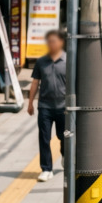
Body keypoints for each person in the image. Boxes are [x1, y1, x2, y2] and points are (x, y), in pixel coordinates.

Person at [28, 30, 67, 181]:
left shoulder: (67, 60)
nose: (51, 44)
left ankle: (65, 154)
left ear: (61, 43)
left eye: (54, 41)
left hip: (63, 106)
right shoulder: (41, 62)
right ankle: (46, 168)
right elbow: (35, 82)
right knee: (44, 137)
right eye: (49, 41)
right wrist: (30, 103)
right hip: (44, 106)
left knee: (63, 135)